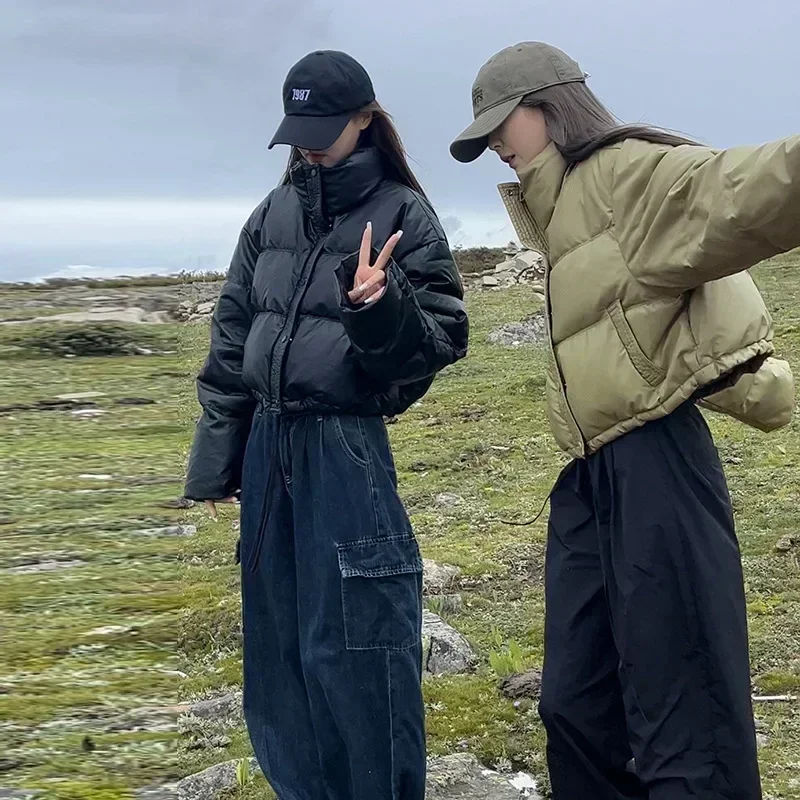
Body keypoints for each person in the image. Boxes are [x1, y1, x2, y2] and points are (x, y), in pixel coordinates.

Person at [451, 41, 798, 800]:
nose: (497, 149)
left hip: (657, 461)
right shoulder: (557, 212)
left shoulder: (623, 176)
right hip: (590, 476)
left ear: (551, 107)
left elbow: (746, 187)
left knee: (685, 712)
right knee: (575, 706)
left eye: (502, 126)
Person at [184, 49, 468, 800]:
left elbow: (436, 342)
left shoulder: (404, 213)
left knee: (358, 642)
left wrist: (378, 309)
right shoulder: (271, 214)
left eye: (325, 125)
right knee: (277, 649)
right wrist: (220, 458)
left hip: (345, 445)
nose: (309, 142)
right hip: (269, 445)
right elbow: (233, 335)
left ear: (366, 119)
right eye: (299, 127)